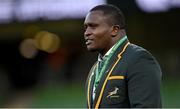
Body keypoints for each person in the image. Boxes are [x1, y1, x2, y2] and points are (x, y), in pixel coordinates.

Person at [84, 4, 162, 108]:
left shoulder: (139, 59)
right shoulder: (95, 69)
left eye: (93, 26)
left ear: (114, 30)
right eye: (86, 28)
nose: (87, 33)